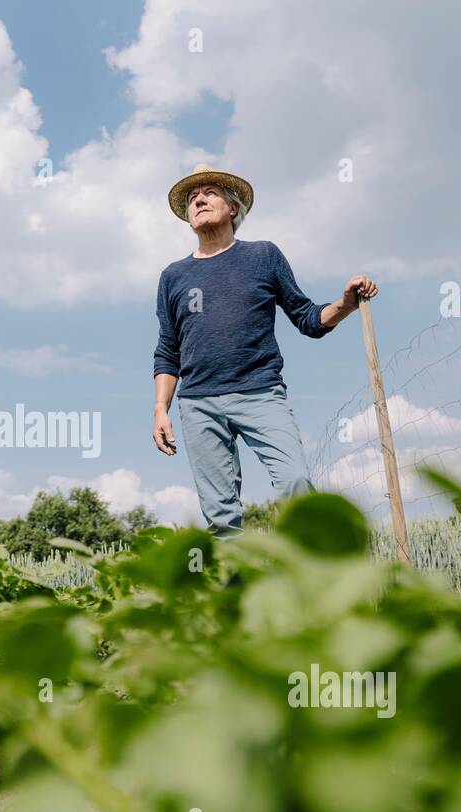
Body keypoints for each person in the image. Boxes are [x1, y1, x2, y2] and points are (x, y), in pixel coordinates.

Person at [152, 163, 378, 537]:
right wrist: (161, 408)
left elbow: (307, 318)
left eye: (209, 193)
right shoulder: (173, 276)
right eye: (192, 197)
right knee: (221, 518)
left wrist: (347, 304)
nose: (199, 199)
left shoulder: (262, 256)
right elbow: (167, 349)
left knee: (296, 484)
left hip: (261, 392)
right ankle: (234, 594)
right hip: (197, 403)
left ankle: (309, 579)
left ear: (233, 208)